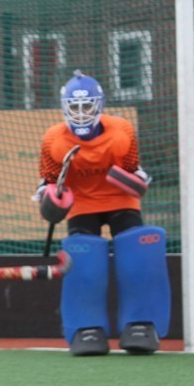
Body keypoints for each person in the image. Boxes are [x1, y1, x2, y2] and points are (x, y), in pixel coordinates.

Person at [37, 70, 169, 356]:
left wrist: (137, 181)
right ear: (64, 108)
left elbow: (133, 170)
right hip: (82, 203)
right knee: (83, 257)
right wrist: (49, 198)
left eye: (87, 106)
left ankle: (141, 324)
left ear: (99, 105)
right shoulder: (53, 139)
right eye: (74, 107)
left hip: (121, 200)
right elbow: (49, 180)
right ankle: (86, 328)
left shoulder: (121, 132)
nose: (81, 113)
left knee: (138, 252)